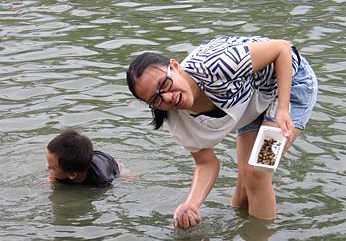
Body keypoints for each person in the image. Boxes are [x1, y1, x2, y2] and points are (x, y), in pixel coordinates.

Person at [126, 35, 318, 229]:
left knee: (258, 172)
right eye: (156, 99)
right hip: (251, 99)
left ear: (175, 66)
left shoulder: (217, 65)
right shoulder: (175, 119)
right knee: (246, 178)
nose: (168, 97)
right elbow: (206, 163)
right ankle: (237, 237)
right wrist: (191, 205)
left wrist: (283, 109)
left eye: (165, 84)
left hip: (289, 85)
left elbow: (282, 48)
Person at [46, 129, 120, 187]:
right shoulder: (62, 170)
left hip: (108, 162)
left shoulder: (101, 179)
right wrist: (51, 181)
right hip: (89, 157)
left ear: (72, 174)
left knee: (121, 174)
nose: (48, 167)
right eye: (49, 164)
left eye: (52, 167)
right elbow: (52, 177)